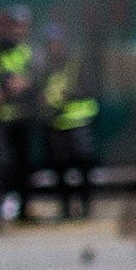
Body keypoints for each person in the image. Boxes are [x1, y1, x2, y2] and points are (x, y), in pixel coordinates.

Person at [0, 6, 41, 228]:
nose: (18, 30)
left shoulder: (30, 51)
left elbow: (40, 75)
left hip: (21, 115)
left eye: (22, 26)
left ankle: (24, 207)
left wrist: (24, 83)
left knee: (23, 164)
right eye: (14, 25)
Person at [39, 24, 100, 219]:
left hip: (78, 124)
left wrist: (69, 94)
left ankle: (86, 207)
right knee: (60, 170)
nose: (53, 48)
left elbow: (90, 89)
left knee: (83, 169)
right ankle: (66, 208)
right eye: (50, 44)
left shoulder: (77, 65)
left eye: (57, 43)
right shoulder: (46, 67)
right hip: (55, 124)